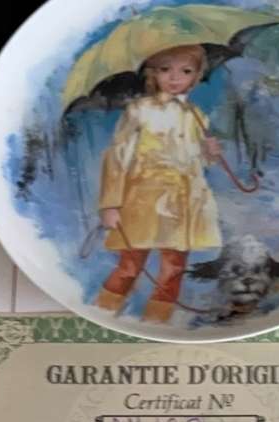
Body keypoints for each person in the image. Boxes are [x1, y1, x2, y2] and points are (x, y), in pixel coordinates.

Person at [94, 44, 223, 324]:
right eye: (165, 69)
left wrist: (210, 152)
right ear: (152, 73)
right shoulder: (139, 111)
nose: (175, 78)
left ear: (196, 76)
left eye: (185, 71)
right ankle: (101, 314)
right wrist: (110, 204)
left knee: (173, 269)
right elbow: (117, 158)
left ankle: (156, 322)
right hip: (144, 200)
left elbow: (196, 161)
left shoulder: (196, 115)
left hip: (184, 202)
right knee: (130, 266)